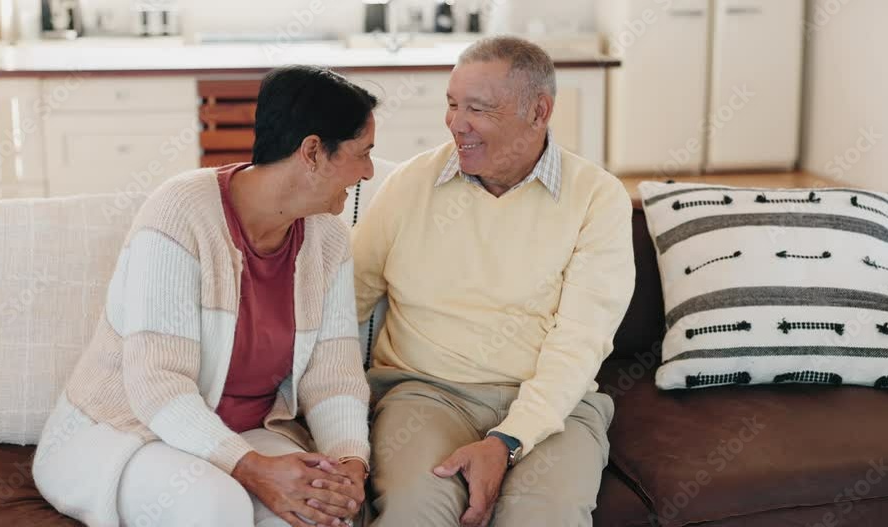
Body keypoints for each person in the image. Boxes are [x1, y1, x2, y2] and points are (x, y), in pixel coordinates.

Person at [33, 65, 378, 527]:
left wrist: (349, 465)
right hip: (129, 431)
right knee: (214, 505)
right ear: (312, 151)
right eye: (362, 153)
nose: (370, 172)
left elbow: (333, 377)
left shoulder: (328, 239)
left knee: (320, 511)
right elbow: (158, 384)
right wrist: (254, 471)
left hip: (247, 434)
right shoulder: (182, 212)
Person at [353, 36, 636, 526]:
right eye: (451, 103)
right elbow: (343, 303)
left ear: (538, 111)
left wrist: (508, 440)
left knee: (543, 518)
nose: (455, 123)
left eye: (478, 109)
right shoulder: (409, 186)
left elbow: (580, 342)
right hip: (425, 393)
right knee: (414, 512)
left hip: (556, 405)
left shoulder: (597, 198)